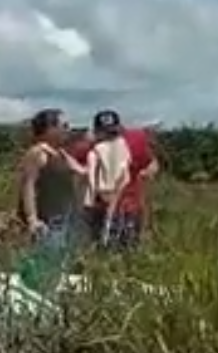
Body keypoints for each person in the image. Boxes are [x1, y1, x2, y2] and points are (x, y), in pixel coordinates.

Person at [15, 108, 85, 293]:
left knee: (54, 267)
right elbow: (28, 185)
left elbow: (82, 173)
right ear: (49, 129)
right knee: (40, 269)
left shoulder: (60, 154)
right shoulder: (37, 153)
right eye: (64, 125)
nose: (68, 129)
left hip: (62, 219)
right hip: (45, 222)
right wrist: (31, 219)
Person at [71, 110, 158, 250]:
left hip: (127, 207)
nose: (109, 138)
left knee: (124, 250)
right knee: (103, 250)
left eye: (113, 133)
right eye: (105, 134)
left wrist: (145, 173)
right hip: (101, 209)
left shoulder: (133, 143)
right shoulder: (88, 149)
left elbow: (151, 164)